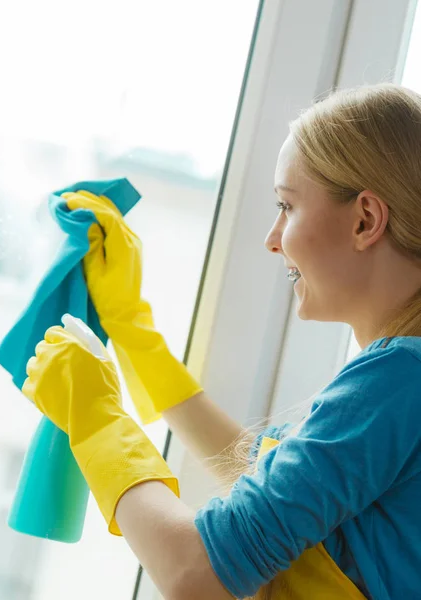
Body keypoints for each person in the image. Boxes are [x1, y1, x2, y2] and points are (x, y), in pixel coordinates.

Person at [23, 83, 421, 599]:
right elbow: (263, 479)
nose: (273, 237)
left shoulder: (398, 380)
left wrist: (95, 420)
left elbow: (198, 576)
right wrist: (131, 331)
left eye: (287, 206)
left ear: (365, 220)